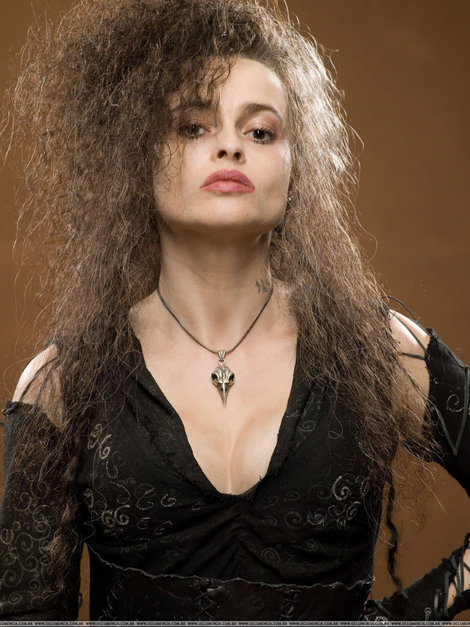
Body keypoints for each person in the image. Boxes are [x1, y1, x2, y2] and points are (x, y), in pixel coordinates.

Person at [1, 0, 469, 621]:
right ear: (137, 158)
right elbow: (24, 613)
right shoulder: (65, 383)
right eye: (193, 127)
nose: (229, 147)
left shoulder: (378, 353)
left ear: (297, 168)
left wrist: (408, 617)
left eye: (260, 132)